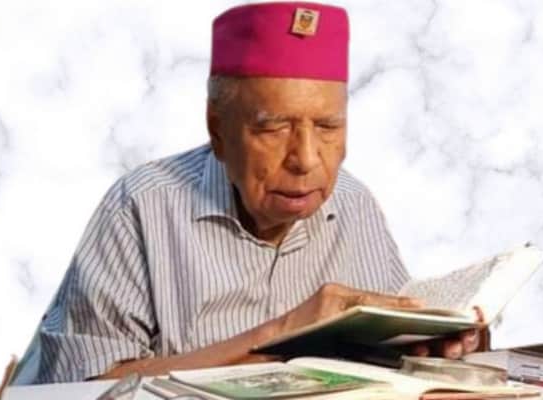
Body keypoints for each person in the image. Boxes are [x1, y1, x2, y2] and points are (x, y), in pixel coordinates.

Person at [32, 2, 486, 383]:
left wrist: (437, 344)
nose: (305, 159)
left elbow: (390, 355)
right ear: (217, 129)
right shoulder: (141, 205)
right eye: (274, 128)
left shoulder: (354, 202)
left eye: (328, 127)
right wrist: (285, 331)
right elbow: (81, 387)